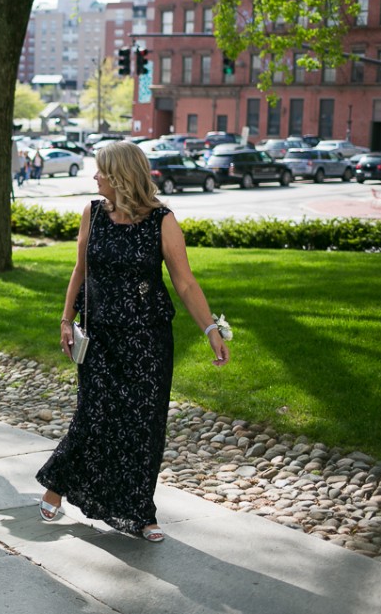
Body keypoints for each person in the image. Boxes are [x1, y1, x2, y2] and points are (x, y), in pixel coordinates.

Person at [35, 141, 230, 543]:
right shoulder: (92, 212)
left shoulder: (162, 219)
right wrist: (66, 319)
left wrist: (210, 330)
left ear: (120, 174)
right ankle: (57, 486)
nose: (94, 177)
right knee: (94, 415)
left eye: (100, 171)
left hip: (147, 339)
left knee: (143, 424)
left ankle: (141, 512)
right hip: (101, 335)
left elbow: (185, 281)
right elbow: (80, 270)